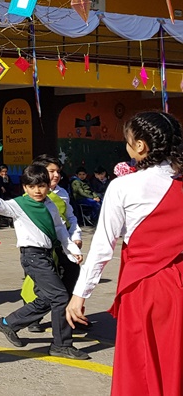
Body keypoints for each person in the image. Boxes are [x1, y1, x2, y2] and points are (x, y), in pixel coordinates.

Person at [67, 111, 183, 394]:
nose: (127, 146)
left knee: (141, 366)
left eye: (128, 141)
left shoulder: (123, 186)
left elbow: (102, 246)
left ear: (141, 146)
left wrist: (79, 295)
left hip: (146, 287)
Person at [0, 165, 89, 360]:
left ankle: (8, 323)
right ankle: (61, 344)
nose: (37, 191)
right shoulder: (19, 205)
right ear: (25, 187)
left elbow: (60, 229)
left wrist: (72, 250)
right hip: (32, 257)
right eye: (32, 186)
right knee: (60, 297)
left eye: (42, 186)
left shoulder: (50, 205)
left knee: (47, 298)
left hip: (47, 255)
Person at [23, 154, 83, 333]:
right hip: (43, 248)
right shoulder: (31, 196)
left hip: (64, 245)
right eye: (51, 171)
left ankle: (71, 317)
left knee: (71, 278)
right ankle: (31, 317)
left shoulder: (62, 193)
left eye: (58, 171)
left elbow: (70, 218)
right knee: (39, 285)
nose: (56, 175)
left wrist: (76, 235)